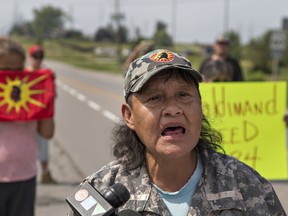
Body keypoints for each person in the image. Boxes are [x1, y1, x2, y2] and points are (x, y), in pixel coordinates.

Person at [68, 49, 285, 215]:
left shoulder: (246, 184)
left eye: (183, 95)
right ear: (129, 116)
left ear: (200, 106)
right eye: (154, 98)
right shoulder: (98, 193)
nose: (173, 109)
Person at [0, 37, 55, 216]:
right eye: (5, 70)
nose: (12, 76)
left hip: (24, 175)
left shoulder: (32, 92)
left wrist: (47, 100)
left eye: (17, 70)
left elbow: (47, 133)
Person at [26, 44, 57, 184]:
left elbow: (52, 95)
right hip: (26, 117)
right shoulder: (23, 74)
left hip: (41, 116)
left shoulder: (46, 74)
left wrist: (51, 81)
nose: (37, 59)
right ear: (29, 57)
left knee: (43, 145)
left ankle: (45, 174)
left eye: (40, 56)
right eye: (35, 56)